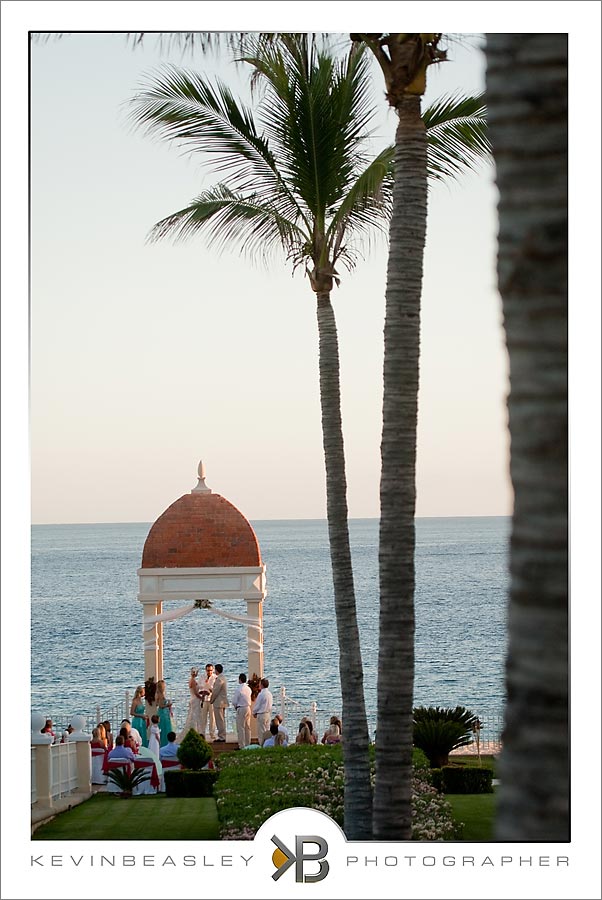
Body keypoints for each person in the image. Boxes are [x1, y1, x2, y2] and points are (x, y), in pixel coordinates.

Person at [176, 668, 203, 740]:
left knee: (194, 715)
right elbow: (195, 692)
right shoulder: (193, 681)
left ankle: (196, 731)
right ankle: (194, 731)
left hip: (193, 699)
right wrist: (201, 697)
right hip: (195, 699)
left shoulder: (191, 680)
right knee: (194, 715)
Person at [231, 673, 252, 749]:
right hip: (248, 708)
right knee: (247, 727)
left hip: (241, 708)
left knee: (241, 728)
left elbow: (234, 701)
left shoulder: (239, 689)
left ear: (240, 679)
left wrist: (235, 707)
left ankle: (241, 745)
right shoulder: (248, 689)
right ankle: (248, 744)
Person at [198, 663, 217, 742]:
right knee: (203, 718)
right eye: (208, 670)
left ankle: (212, 733)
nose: (209, 672)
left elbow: (215, 689)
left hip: (212, 700)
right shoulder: (202, 677)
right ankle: (202, 733)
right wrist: (203, 689)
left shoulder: (215, 678)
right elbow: (199, 686)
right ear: (206, 670)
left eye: (211, 670)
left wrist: (209, 688)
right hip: (204, 699)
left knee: (212, 718)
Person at [209, 663, 229, 742]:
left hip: (219, 703)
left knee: (219, 720)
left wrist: (211, 700)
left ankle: (222, 736)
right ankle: (222, 735)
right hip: (222, 702)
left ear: (217, 670)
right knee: (221, 719)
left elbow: (216, 691)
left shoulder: (219, 679)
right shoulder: (223, 678)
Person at [252, 678, 273, 743]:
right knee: (267, 731)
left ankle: (262, 744)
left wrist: (254, 712)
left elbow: (258, 705)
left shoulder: (261, 694)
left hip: (261, 714)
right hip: (268, 714)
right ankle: (268, 744)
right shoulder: (270, 694)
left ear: (262, 685)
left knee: (261, 733)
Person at [156, 679, 175, 747]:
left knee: (166, 727)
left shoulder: (160, 693)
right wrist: (168, 705)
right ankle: (164, 743)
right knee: (164, 727)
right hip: (163, 713)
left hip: (165, 712)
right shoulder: (160, 694)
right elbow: (160, 706)